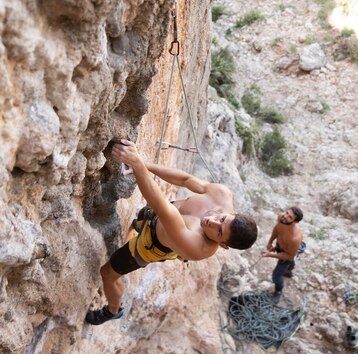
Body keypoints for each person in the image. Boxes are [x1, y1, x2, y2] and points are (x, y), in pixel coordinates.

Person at [86, 139, 258, 325]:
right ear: (233, 212)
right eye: (223, 218)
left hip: (151, 245)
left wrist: (136, 163)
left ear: (223, 245)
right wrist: (143, 165)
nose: (212, 222)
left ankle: (113, 310)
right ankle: (140, 224)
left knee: (108, 273)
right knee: (146, 217)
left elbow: (161, 206)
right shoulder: (222, 195)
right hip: (158, 216)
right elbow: (185, 179)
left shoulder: (198, 248)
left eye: (219, 231)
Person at [261, 207, 304, 302]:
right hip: (281, 245)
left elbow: (289, 256)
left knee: (276, 276)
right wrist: (270, 242)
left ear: (295, 222)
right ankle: (288, 271)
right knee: (289, 264)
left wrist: (269, 255)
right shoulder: (281, 217)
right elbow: (277, 229)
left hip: (288, 251)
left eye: (290, 217)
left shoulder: (294, 238)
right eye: (287, 212)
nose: (285, 216)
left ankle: (278, 291)